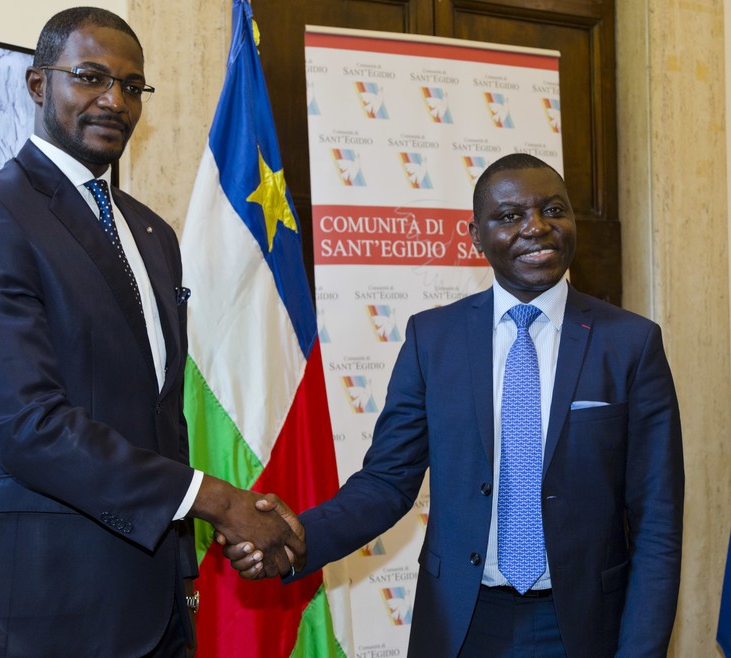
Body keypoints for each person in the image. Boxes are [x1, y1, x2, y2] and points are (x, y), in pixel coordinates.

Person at [0, 7, 301, 657]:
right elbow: (26, 425)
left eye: (132, 86)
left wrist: (187, 563)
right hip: (45, 609)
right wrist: (213, 499)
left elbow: (159, 416)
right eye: (90, 76)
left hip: (155, 603)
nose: (114, 100)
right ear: (37, 84)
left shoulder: (152, 233)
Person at [224, 153, 685, 657]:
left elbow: (657, 521)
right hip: (462, 624)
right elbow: (386, 483)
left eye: (553, 209)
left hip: (585, 626)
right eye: (510, 216)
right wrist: (297, 540)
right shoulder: (432, 339)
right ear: (474, 236)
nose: (537, 227)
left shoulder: (632, 344)